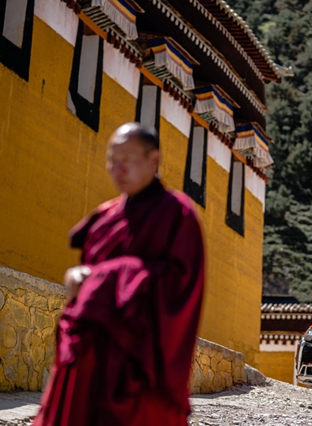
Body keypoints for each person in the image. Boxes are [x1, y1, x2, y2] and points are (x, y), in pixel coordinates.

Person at [34, 123, 205, 426]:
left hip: (140, 367)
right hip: (90, 359)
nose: (118, 168)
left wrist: (101, 278)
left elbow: (179, 287)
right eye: (112, 159)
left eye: (128, 159)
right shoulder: (105, 218)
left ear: (154, 160)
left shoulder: (178, 215)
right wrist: (81, 280)